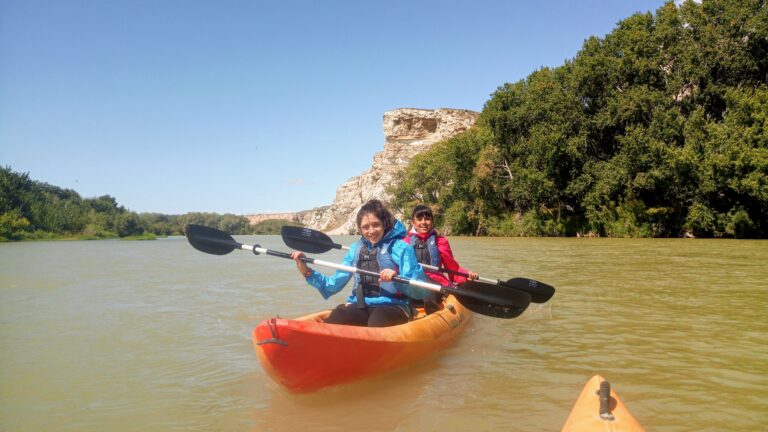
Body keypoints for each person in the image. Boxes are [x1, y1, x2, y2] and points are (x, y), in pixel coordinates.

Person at [291, 199, 428, 327]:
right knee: (337, 316)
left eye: (376, 225)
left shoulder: (401, 248)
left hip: (394, 306)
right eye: (365, 227)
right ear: (360, 229)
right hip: (361, 305)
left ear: (384, 224)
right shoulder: (355, 249)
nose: (371, 231)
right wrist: (306, 271)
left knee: (377, 321)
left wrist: (397, 278)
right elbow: (332, 285)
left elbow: (419, 291)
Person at [405, 205, 478, 313]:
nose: (424, 222)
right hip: (413, 284)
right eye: (419, 219)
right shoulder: (404, 243)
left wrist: (467, 275)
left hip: (436, 284)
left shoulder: (441, 242)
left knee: (430, 287)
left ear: (432, 221)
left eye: (427, 219)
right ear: (413, 223)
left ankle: (432, 307)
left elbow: (453, 269)